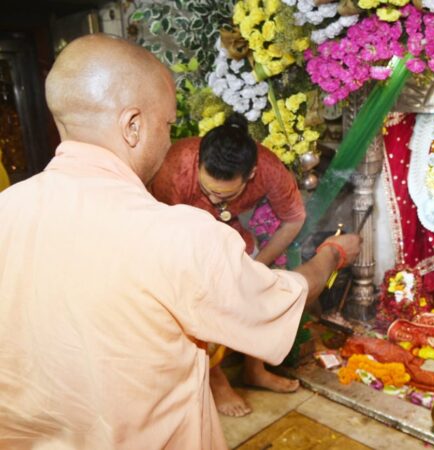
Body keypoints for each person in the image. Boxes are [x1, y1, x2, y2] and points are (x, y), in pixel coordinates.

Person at [0, 33, 361, 450]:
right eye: (168, 124)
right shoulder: (177, 235)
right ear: (132, 125)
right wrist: (332, 255)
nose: (170, 140)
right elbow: (282, 300)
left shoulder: (8, 208)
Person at [150, 113, 306, 417]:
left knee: (261, 288)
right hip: (181, 244)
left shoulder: (269, 168)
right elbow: (162, 234)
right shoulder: (177, 165)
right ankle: (216, 377)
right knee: (200, 295)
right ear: (198, 166)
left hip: (233, 240)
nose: (212, 198)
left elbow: (294, 218)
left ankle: (255, 368)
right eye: (207, 190)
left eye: (224, 195)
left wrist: (257, 269)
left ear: (250, 175)